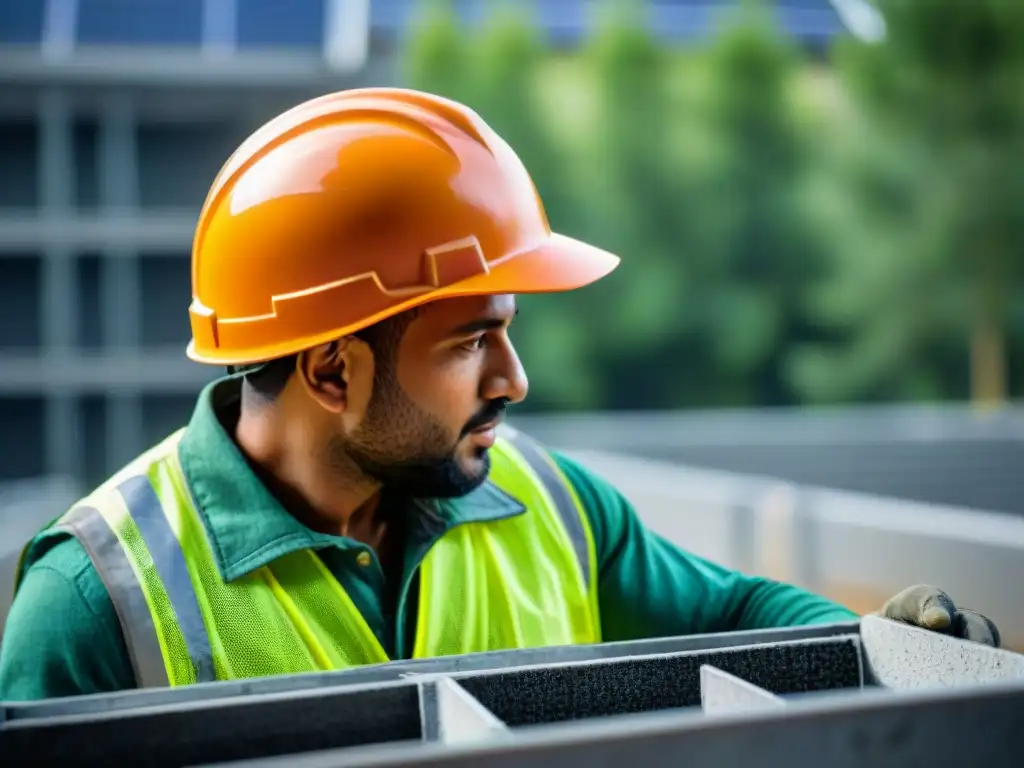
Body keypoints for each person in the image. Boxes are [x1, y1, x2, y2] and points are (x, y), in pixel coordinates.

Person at [0, 88, 1001, 702]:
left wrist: (880, 643)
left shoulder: (555, 505)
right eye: (473, 341)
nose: (513, 381)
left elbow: (732, 609)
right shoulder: (90, 605)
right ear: (333, 370)